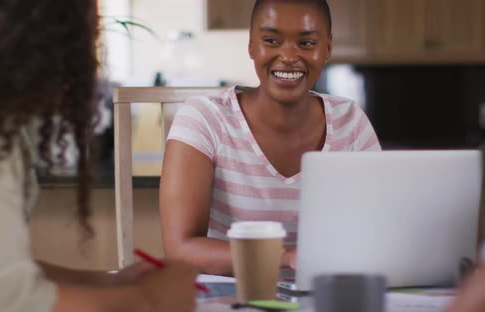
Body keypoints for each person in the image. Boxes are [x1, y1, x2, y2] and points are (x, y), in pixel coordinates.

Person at [0, 0, 197, 311]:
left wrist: (106, 281)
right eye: (84, 39)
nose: (87, 59)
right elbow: (5, 301)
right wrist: (147, 300)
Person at [159, 0, 381, 276]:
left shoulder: (350, 122)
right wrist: (286, 256)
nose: (288, 56)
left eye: (307, 43)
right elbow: (181, 251)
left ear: (328, 48)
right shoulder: (204, 118)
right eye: (272, 40)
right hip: (230, 297)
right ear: (252, 46)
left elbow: (376, 232)